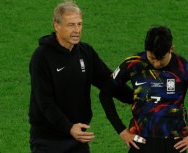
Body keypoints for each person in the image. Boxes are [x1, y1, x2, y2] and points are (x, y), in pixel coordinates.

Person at [29, 1, 133, 153]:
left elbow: (108, 82)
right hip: (48, 141)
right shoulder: (41, 57)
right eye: (71, 25)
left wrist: (138, 98)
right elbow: (44, 101)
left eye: (79, 24)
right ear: (56, 25)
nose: (77, 30)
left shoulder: (86, 52)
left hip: (78, 138)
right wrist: (68, 127)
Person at [99, 26, 188, 153]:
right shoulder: (133, 64)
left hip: (174, 145)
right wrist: (121, 130)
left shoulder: (186, 69)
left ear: (171, 49)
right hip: (140, 143)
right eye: (152, 58)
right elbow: (105, 94)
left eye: (161, 59)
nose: (156, 64)